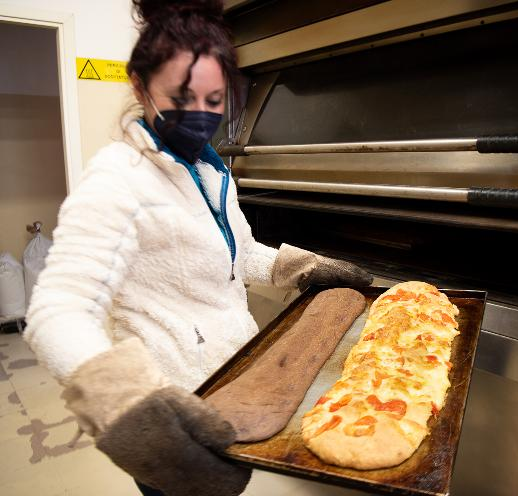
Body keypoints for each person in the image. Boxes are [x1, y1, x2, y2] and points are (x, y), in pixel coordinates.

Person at [23, 1, 372, 495]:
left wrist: (300, 267)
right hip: (172, 405)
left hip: (235, 377)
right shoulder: (117, 179)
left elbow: (239, 254)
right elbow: (56, 313)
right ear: (141, 86)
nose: (200, 115)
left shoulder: (210, 169)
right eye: (182, 95)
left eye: (214, 100)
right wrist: (129, 412)